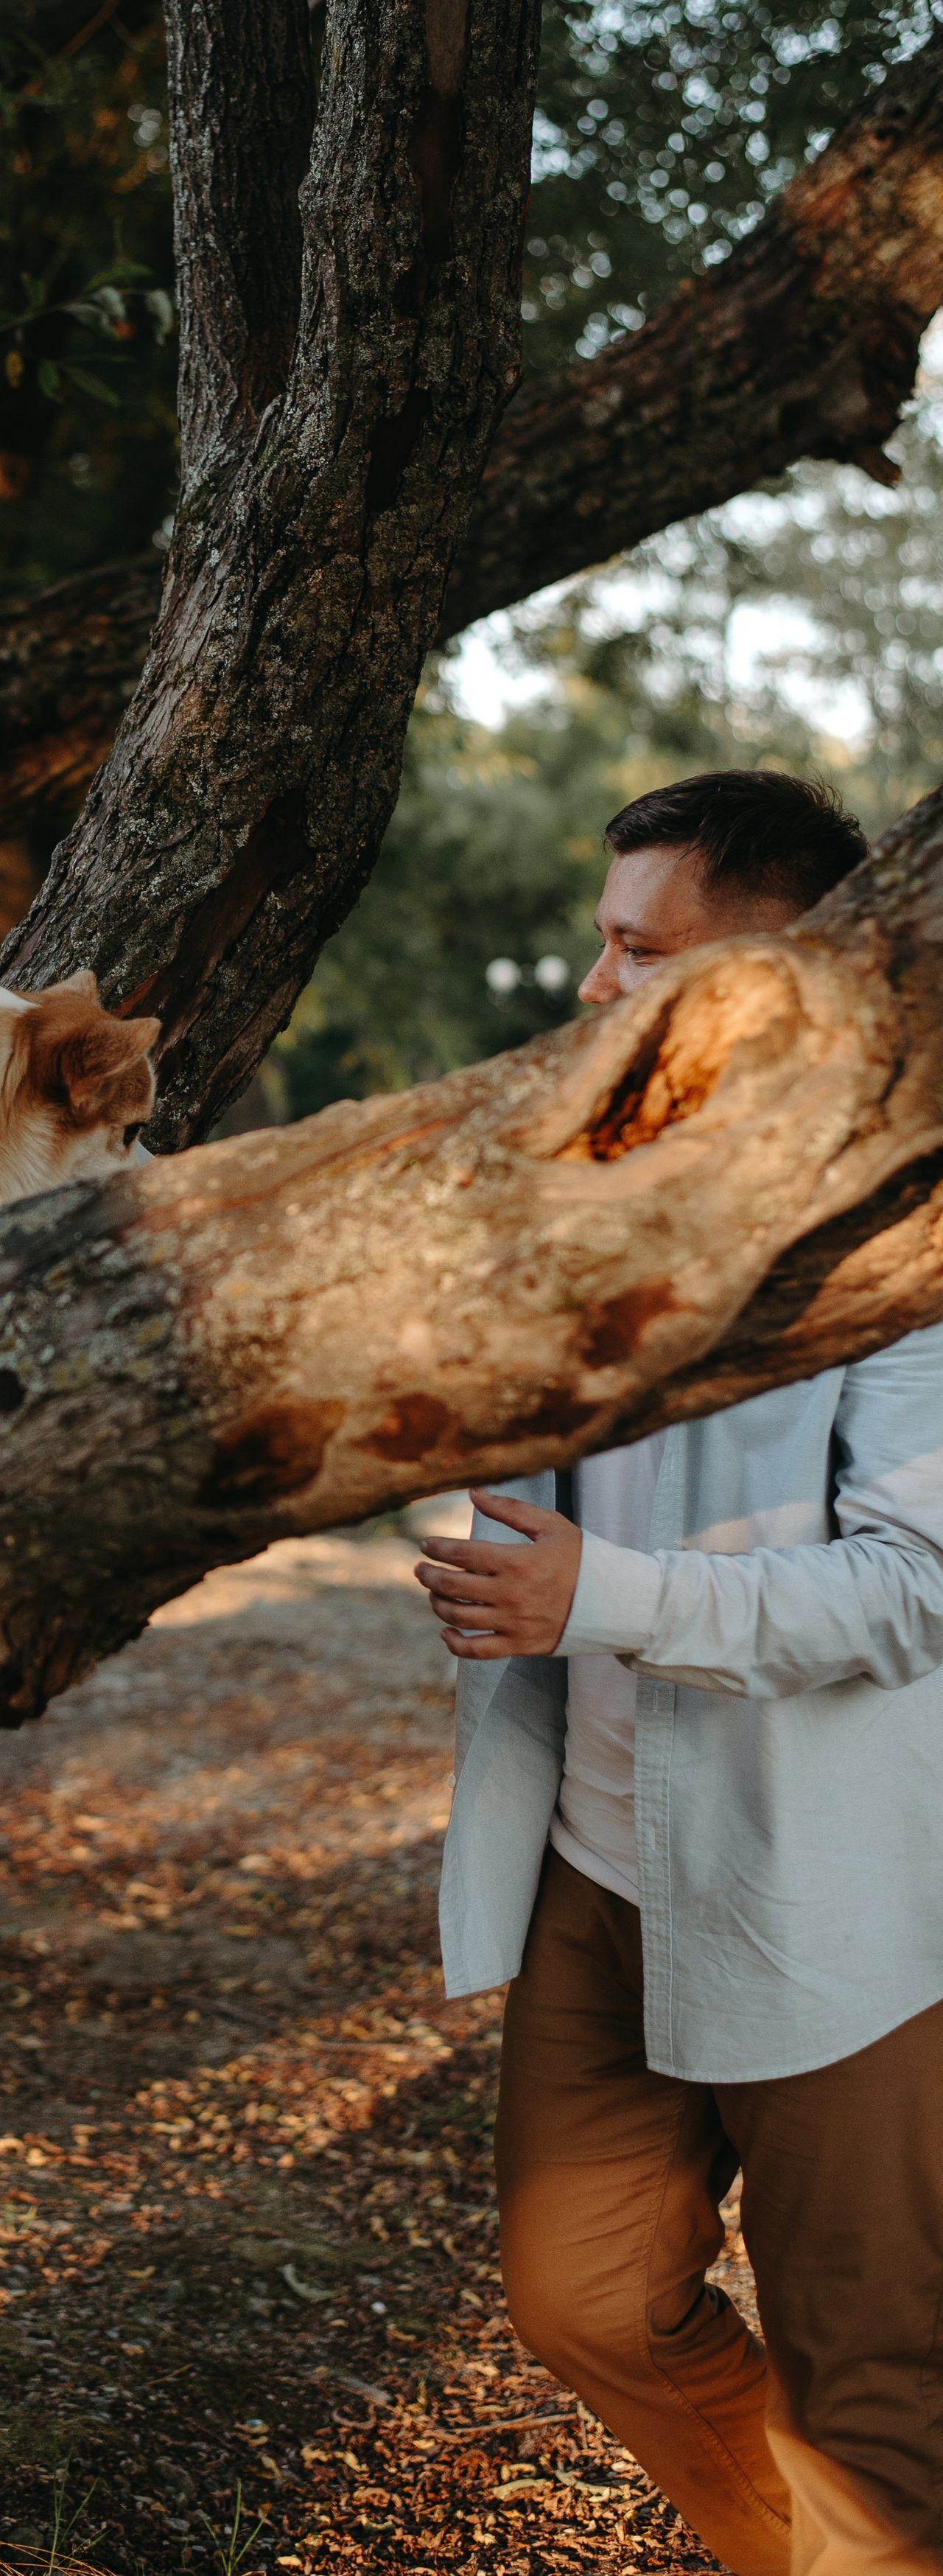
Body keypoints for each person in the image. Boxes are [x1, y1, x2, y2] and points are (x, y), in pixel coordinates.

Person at [414, 767, 943, 2576]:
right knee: (579, 2300)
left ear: (771, 976)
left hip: (842, 1909)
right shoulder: (586, 1194)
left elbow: (912, 1588)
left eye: (635, 953)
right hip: (598, 1857)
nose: (587, 991)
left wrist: (600, 1594)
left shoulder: (907, 1234)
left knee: (871, 2401)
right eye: (596, 944)